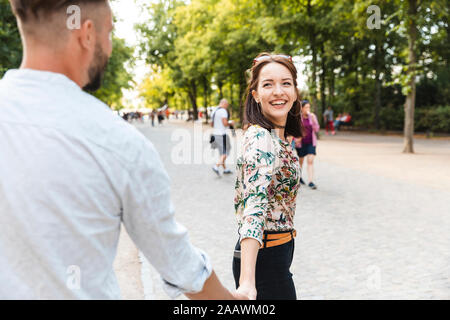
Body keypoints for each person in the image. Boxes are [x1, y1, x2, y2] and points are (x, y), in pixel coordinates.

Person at [0, 0, 246, 300]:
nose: (110, 46)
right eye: (110, 33)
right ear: (87, 34)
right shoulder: (117, 142)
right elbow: (181, 268)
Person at [233, 53, 304, 300]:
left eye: (286, 83)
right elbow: (255, 204)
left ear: (295, 92)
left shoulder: (279, 138)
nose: (278, 91)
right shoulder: (261, 138)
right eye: (267, 84)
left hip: (277, 255)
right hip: (264, 262)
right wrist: (247, 282)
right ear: (255, 95)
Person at [293, 100, 320, 190]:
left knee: (310, 160)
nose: (308, 109)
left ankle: (311, 181)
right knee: (301, 160)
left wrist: (313, 121)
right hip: (301, 143)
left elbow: (316, 129)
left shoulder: (312, 117)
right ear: (302, 108)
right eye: (306, 107)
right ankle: (299, 177)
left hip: (311, 142)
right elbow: (295, 129)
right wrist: (296, 138)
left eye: (309, 107)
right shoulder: (298, 117)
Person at [211, 99, 233, 176]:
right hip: (221, 134)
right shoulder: (223, 111)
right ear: (224, 103)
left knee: (222, 152)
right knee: (226, 151)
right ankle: (216, 166)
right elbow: (225, 123)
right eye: (227, 105)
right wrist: (230, 123)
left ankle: (225, 169)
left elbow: (212, 124)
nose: (227, 107)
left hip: (215, 134)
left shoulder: (214, 110)